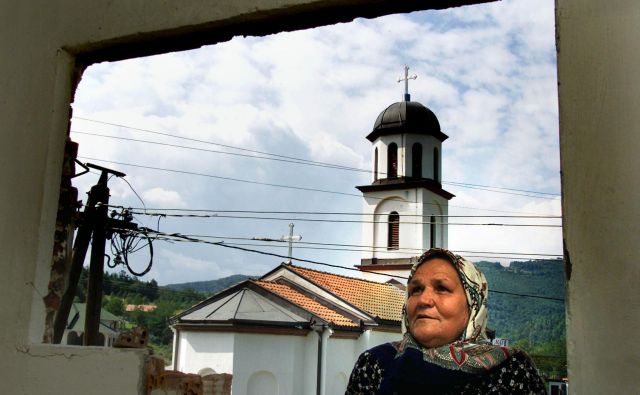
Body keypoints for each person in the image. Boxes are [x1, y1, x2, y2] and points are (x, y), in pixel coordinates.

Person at [345, 248, 546, 394]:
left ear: (473, 305)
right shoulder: (374, 366)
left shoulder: (512, 371)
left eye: (441, 287)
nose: (424, 300)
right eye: (416, 289)